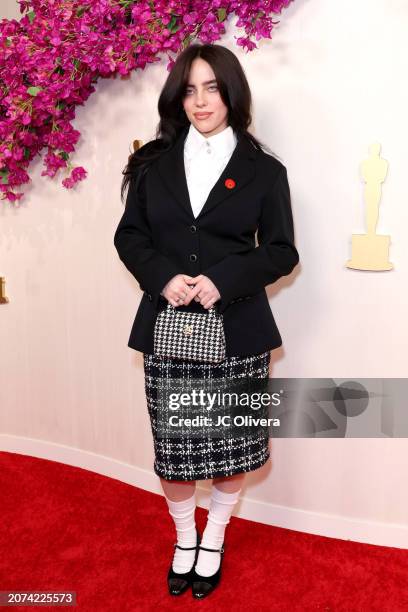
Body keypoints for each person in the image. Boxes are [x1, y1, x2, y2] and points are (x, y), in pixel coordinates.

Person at [114, 43, 299, 599]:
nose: (200, 102)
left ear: (232, 93)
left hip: (239, 331)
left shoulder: (265, 172)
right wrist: (164, 277)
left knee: (231, 449)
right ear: (177, 96)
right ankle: (183, 539)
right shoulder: (152, 163)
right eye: (190, 90)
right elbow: (130, 236)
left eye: (212, 88)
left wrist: (226, 278)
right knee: (175, 450)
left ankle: (213, 535)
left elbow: (283, 251)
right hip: (168, 330)